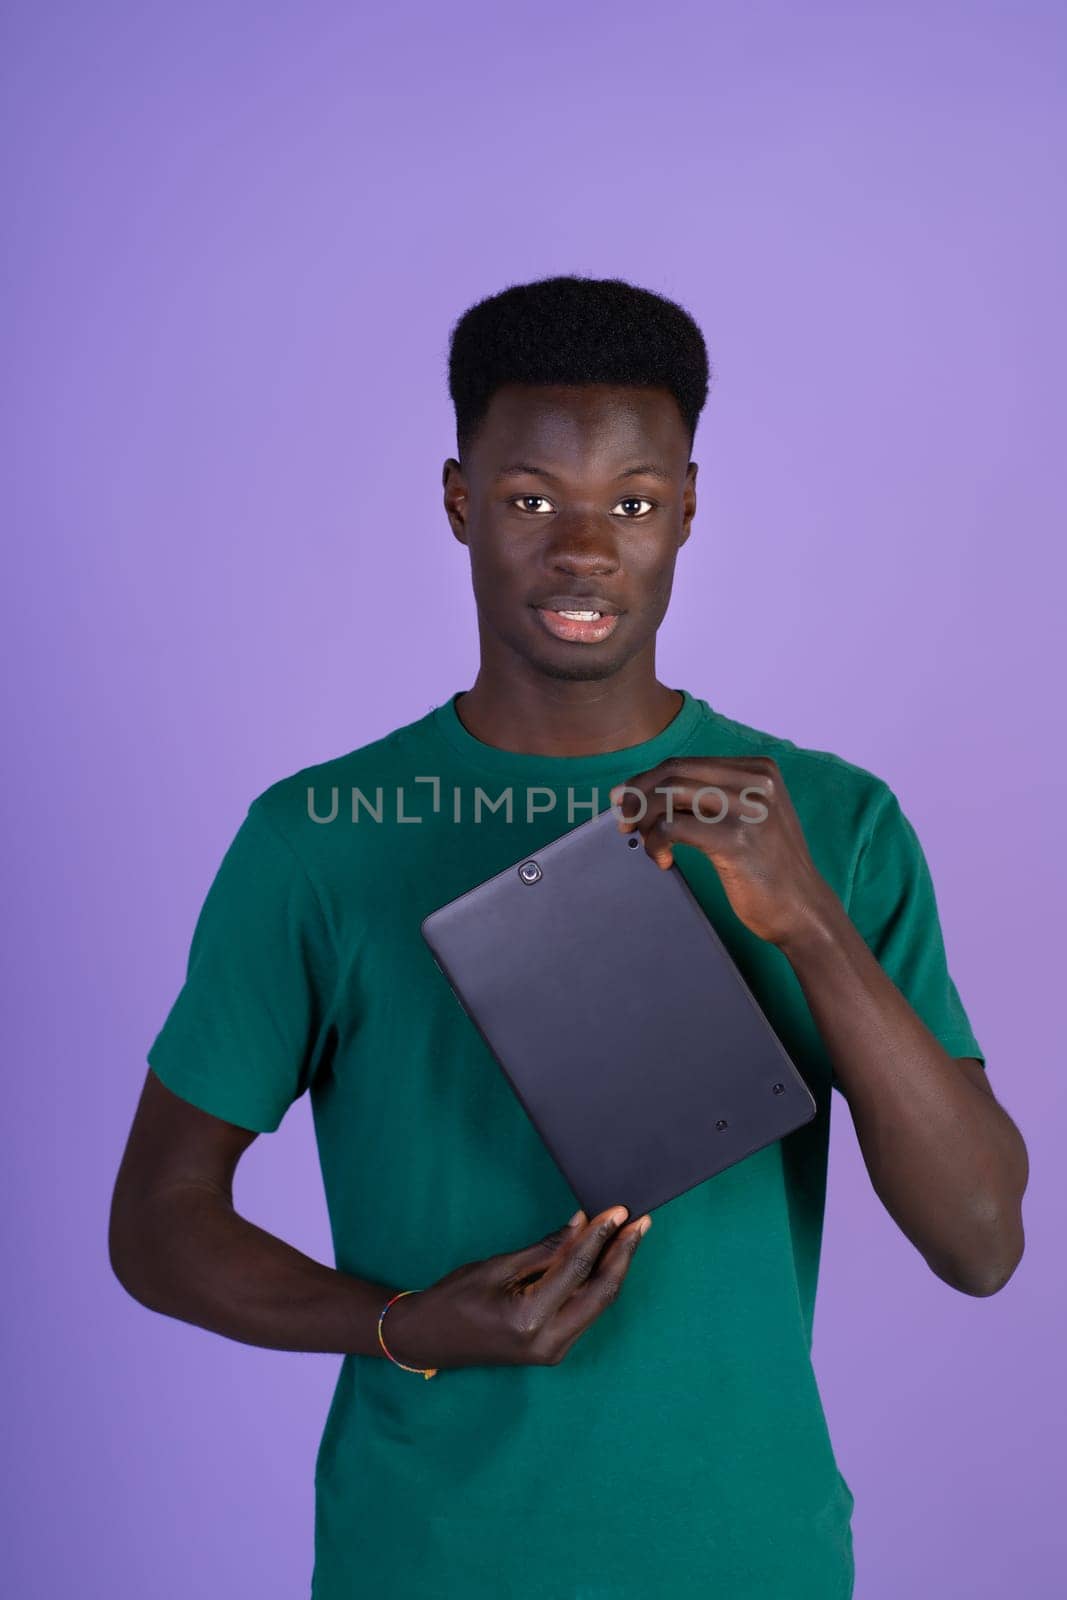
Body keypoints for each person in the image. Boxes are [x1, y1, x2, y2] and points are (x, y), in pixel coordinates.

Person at [109, 274, 1028, 1600]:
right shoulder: (321, 834)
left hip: (748, 1560)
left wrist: (809, 921)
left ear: (689, 512)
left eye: (635, 503)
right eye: (533, 498)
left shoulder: (834, 819)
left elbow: (982, 1240)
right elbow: (157, 1221)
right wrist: (398, 1324)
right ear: (459, 501)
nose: (585, 548)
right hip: (425, 1559)